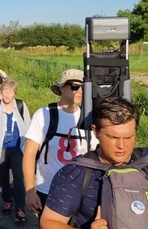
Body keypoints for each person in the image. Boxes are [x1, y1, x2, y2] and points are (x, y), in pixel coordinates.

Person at [40, 97, 148, 229]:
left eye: (128, 137)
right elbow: (49, 222)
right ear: (96, 132)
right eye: (113, 137)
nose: (121, 146)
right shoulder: (77, 172)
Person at [22, 69, 98, 220]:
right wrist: (30, 191)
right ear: (62, 88)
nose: (80, 91)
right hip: (49, 190)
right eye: (75, 86)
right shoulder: (44, 115)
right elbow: (29, 154)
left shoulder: (90, 118)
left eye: (84, 87)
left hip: (82, 192)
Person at [0, 80, 31, 223]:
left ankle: (20, 209)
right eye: (4, 91)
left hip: (18, 149)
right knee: (3, 178)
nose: (7, 94)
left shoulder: (21, 106)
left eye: (10, 92)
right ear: (1, 92)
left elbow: (29, 128)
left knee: (18, 178)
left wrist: (30, 151)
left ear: (14, 93)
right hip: (1, 149)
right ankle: (7, 201)